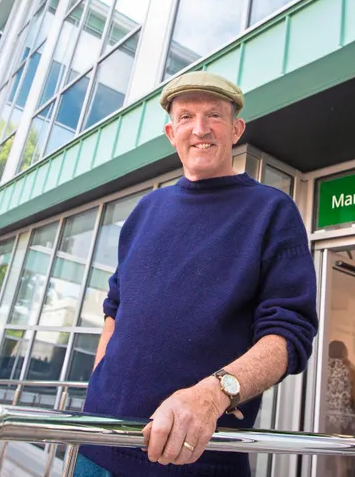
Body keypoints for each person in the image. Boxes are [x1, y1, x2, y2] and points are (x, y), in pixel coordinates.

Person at [76, 72, 319, 477]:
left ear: (236, 129)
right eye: (186, 116)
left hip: (197, 460)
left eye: (214, 116)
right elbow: (114, 309)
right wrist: (98, 387)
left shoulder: (272, 212)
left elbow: (288, 334)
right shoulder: (145, 211)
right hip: (97, 445)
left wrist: (214, 394)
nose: (200, 129)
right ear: (172, 132)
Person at [326, 340, 355, 476]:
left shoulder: (323, 367)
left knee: (325, 452)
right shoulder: (350, 368)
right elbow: (352, 395)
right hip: (343, 417)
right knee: (341, 454)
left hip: (326, 415)